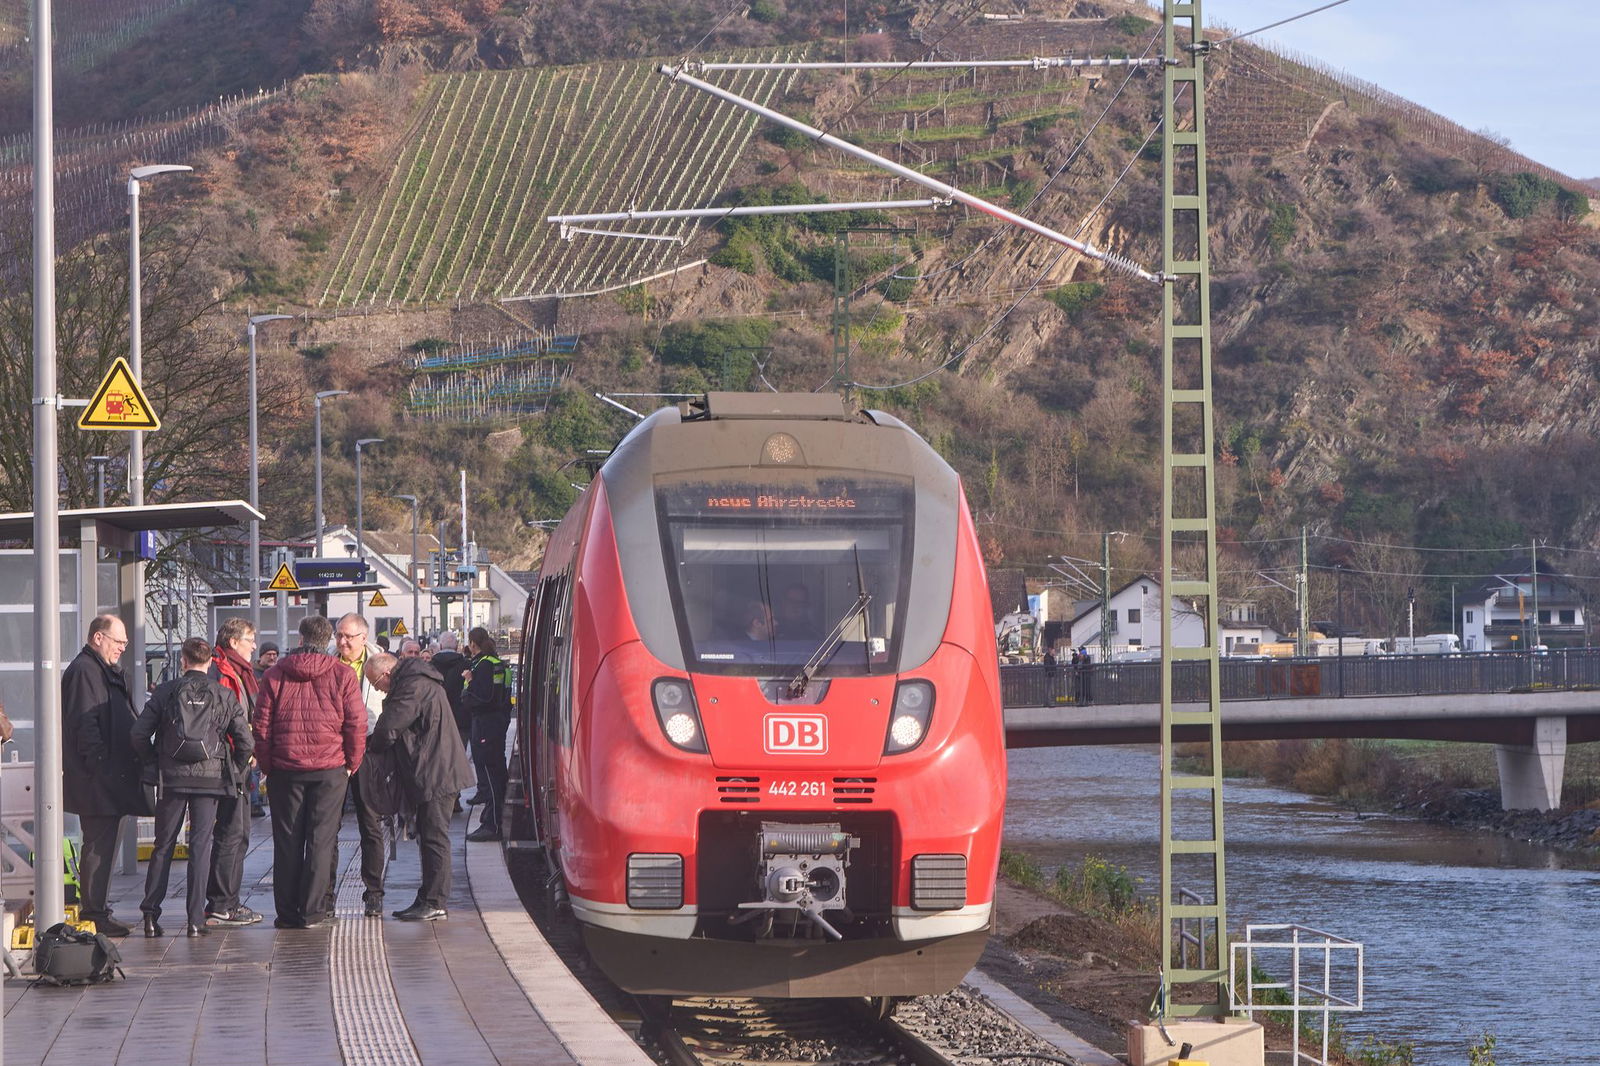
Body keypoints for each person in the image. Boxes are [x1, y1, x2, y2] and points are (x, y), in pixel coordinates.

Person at [131, 638, 253, 937]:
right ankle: (195, 920)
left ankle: (150, 916)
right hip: (210, 780)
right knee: (200, 847)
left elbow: (138, 733)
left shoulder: (166, 692)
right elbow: (246, 743)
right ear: (210, 661)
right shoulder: (223, 694)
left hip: (172, 778)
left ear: (183, 661)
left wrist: (155, 761)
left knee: (163, 846)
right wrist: (233, 771)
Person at [254, 615, 366, 929]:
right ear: (329, 640)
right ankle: (314, 911)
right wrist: (351, 763)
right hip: (330, 769)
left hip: (285, 770)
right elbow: (356, 724)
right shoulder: (343, 674)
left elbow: (262, 726)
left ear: (301, 639)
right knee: (322, 839)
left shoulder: (276, 675)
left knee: (287, 840)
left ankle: (287, 912)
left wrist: (267, 765)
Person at [363, 653, 475, 920]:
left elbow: (390, 726)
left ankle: (435, 901)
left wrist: (371, 747)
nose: (378, 690)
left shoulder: (412, 685)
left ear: (386, 673)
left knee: (435, 837)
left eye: (376, 683)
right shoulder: (417, 681)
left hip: (435, 771)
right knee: (428, 835)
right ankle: (427, 897)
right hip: (435, 768)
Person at [61, 613, 147, 937]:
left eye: (125, 642)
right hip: (97, 779)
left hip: (108, 776)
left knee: (104, 845)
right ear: (98, 638)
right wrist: (100, 766)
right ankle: (94, 914)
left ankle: (99, 910)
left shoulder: (101, 671)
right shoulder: (85, 671)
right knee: (98, 846)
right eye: (118, 641)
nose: (122, 648)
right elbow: (85, 723)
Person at [204, 617, 266, 927]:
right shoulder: (223, 672)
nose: (254, 645)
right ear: (233, 643)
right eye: (249, 639)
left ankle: (225, 901)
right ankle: (222, 904)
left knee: (237, 832)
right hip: (229, 763)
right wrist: (245, 750)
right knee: (232, 832)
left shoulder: (238, 671)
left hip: (236, 760)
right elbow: (228, 719)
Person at [333, 612, 389, 916]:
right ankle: (325, 894)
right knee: (329, 825)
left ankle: (374, 892)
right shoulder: (328, 662)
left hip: (368, 750)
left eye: (348, 636)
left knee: (371, 823)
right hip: (335, 750)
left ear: (363, 637)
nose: (342, 641)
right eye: (339, 635)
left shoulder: (382, 664)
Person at [462, 627, 512, 842]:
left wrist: (469, 681)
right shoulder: (497, 663)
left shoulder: (482, 666)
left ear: (473, 644)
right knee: (497, 772)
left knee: (490, 774)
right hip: (497, 723)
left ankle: (491, 824)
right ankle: (494, 818)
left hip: (484, 724)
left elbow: (482, 697)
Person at [430, 632, 469, 756]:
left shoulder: (429, 667)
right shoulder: (466, 665)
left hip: (436, 718)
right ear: (457, 646)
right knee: (459, 757)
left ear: (440, 646)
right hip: (461, 719)